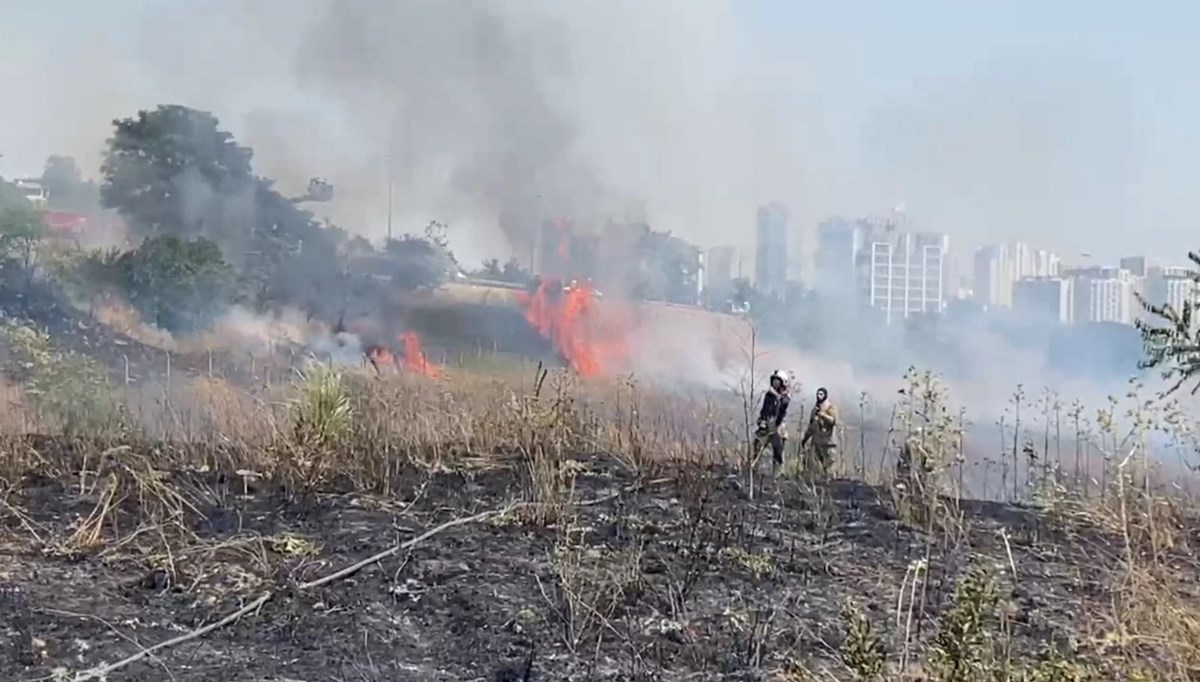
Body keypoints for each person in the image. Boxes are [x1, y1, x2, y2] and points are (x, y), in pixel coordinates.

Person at [754, 369, 792, 469]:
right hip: (767, 424)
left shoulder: (785, 397)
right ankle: (755, 469)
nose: (775, 382)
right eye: (774, 380)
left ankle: (778, 472)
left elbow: (782, 411)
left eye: (777, 380)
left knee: (778, 450)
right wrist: (761, 420)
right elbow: (764, 409)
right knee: (758, 443)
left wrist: (776, 425)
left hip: (779, 426)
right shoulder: (769, 395)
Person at [801, 387, 839, 476]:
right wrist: (805, 438)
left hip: (828, 442)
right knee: (814, 466)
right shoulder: (815, 410)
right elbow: (811, 426)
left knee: (829, 466)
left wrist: (823, 415)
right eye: (818, 394)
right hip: (816, 442)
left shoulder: (830, 407)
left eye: (821, 394)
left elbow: (833, 421)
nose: (819, 396)